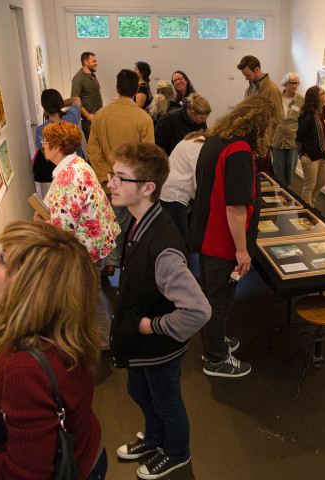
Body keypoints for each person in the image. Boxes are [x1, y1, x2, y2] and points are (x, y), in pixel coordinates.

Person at [108, 143, 211, 480]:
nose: (110, 183)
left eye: (120, 178)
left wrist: (153, 325)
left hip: (158, 345)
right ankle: (154, 440)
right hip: (142, 343)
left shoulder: (163, 245)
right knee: (139, 391)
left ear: (148, 188)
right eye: (112, 175)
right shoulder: (139, 222)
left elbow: (197, 311)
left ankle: (177, 453)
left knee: (167, 402)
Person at [0, 220, 108, 479]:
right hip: (90, 450)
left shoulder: (25, 368)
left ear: (32, 288)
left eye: (3, 259)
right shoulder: (64, 327)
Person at [189, 95, 279, 377]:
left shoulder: (215, 139)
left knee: (212, 297)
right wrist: (241, 251)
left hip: (206, 235)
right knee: (219, 302)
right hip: (222, 242)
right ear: (262, 125)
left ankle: (215, 342)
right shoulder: (239, 150)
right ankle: (215, 359)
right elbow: (235, 206)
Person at [38, 121, 120, 351]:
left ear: (57, 147)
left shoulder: (68, 176)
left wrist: (42, 223)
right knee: (91, 295)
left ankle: (103, 343)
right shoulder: (77, 163)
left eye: (46, 142)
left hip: (85, 247)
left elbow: (64, 229)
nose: (43, 146)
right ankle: (103, 340)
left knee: (89, 298)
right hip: (94, 241)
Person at [87, 68, 155, 277]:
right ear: (136, 90)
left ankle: (105, 261)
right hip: (131, 181)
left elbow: (93, 150)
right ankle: (116, 261)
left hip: (107, 179)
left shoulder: (100, 115)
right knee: (126, 222)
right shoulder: (143, 118)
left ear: (117, 88)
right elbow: (148, 154)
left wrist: (107, 177)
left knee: (106, 218)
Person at [33, 90, 83, 199]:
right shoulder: (72, 116)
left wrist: (49, 107)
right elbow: (76, 99)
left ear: (44, 106)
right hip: (78, 166)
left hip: (60, 173)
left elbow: (46, 156)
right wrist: (58, 104)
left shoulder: (41, 130)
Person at [160, 131, 207, 241]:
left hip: (168, 191)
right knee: (180, 241)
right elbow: (200, 179)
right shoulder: (200, 147)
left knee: (173, 237)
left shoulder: (195, 139)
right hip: (176, 196)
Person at [296, 85, 325, 207]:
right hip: (310, 156)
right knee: (309, 186)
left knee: (321, 182)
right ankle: (305, 212)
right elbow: (300, 137)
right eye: (323, 93)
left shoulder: (324, 113)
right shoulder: (307, 116)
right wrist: (302, 153)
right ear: (316, 98)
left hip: (323, 154)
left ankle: (311, 205)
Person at [271, 72, 304, 186]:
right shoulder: (276, 98)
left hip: (292, 141)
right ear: (285, 83)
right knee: (278, 169)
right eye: (292, 83)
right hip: (277, 140)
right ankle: (279, 194)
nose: (295, 86)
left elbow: (303, 120)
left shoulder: (301, 100)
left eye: (297, 83)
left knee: (290, 170)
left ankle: (288, 192)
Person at [71, 51, 103, 141]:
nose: (96, 63)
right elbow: (74, 100)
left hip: (98, 119)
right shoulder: (78, 78)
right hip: (89, 123)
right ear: (85, 62)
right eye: (93, 61)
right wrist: (87, 115)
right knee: (93, 151)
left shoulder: (92, 76)